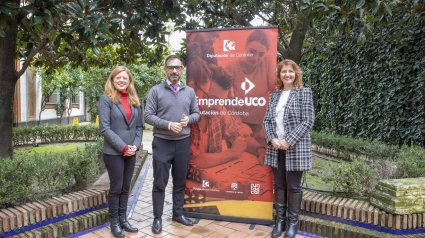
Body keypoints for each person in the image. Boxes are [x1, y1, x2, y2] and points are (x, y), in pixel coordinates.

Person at [144, 55, 200, 234]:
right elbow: (148, 116)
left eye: (177, 67)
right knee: (159, 182)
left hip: (183, 143)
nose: (174, 71)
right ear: (165, 69)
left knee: (180, 182)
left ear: (182, 69)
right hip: (162, 142)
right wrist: (168, 124)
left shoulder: (189, 92)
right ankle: (157, 218)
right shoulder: (155, 91)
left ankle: (178, 214)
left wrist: (188, 120)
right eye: (171, 67)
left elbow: (196, 114)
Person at [263, 59, 314, 238]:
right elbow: (267, 121)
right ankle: (280, 222)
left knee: (293, 187)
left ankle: (293, 224)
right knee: (279, 185)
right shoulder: (274, 96)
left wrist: (289, 140)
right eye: (284, 71)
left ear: (296, 74)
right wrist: (272, 139)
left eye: (290, 72)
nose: (287, 74)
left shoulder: (303, 93)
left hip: (295, 148)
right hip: (276, 148)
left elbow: (308, 120)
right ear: (280, 75)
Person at [98, 66, 143, 238]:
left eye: (125, 78)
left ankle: (123, 219)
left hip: (131, 151)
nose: (122, 80)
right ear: (112, 80)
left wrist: (135, 146)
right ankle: (114, 223)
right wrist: (123, 147)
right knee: (116, 188)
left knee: (126, 187)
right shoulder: (106, 99)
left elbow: (139, 127)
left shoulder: (135, 101)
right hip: (114, 152)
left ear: (129, 81)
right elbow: (105, 128)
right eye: (118, 78)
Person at [225, 29, 275, 154]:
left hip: (261, 125)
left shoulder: (268, 61)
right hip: (238, 125)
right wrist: (239, 125)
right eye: (252, 52)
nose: (256, 58)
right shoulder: (231, 67)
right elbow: (228, 101)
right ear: (245, 46)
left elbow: (274, 90)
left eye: (261, 54)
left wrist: (267, 124)